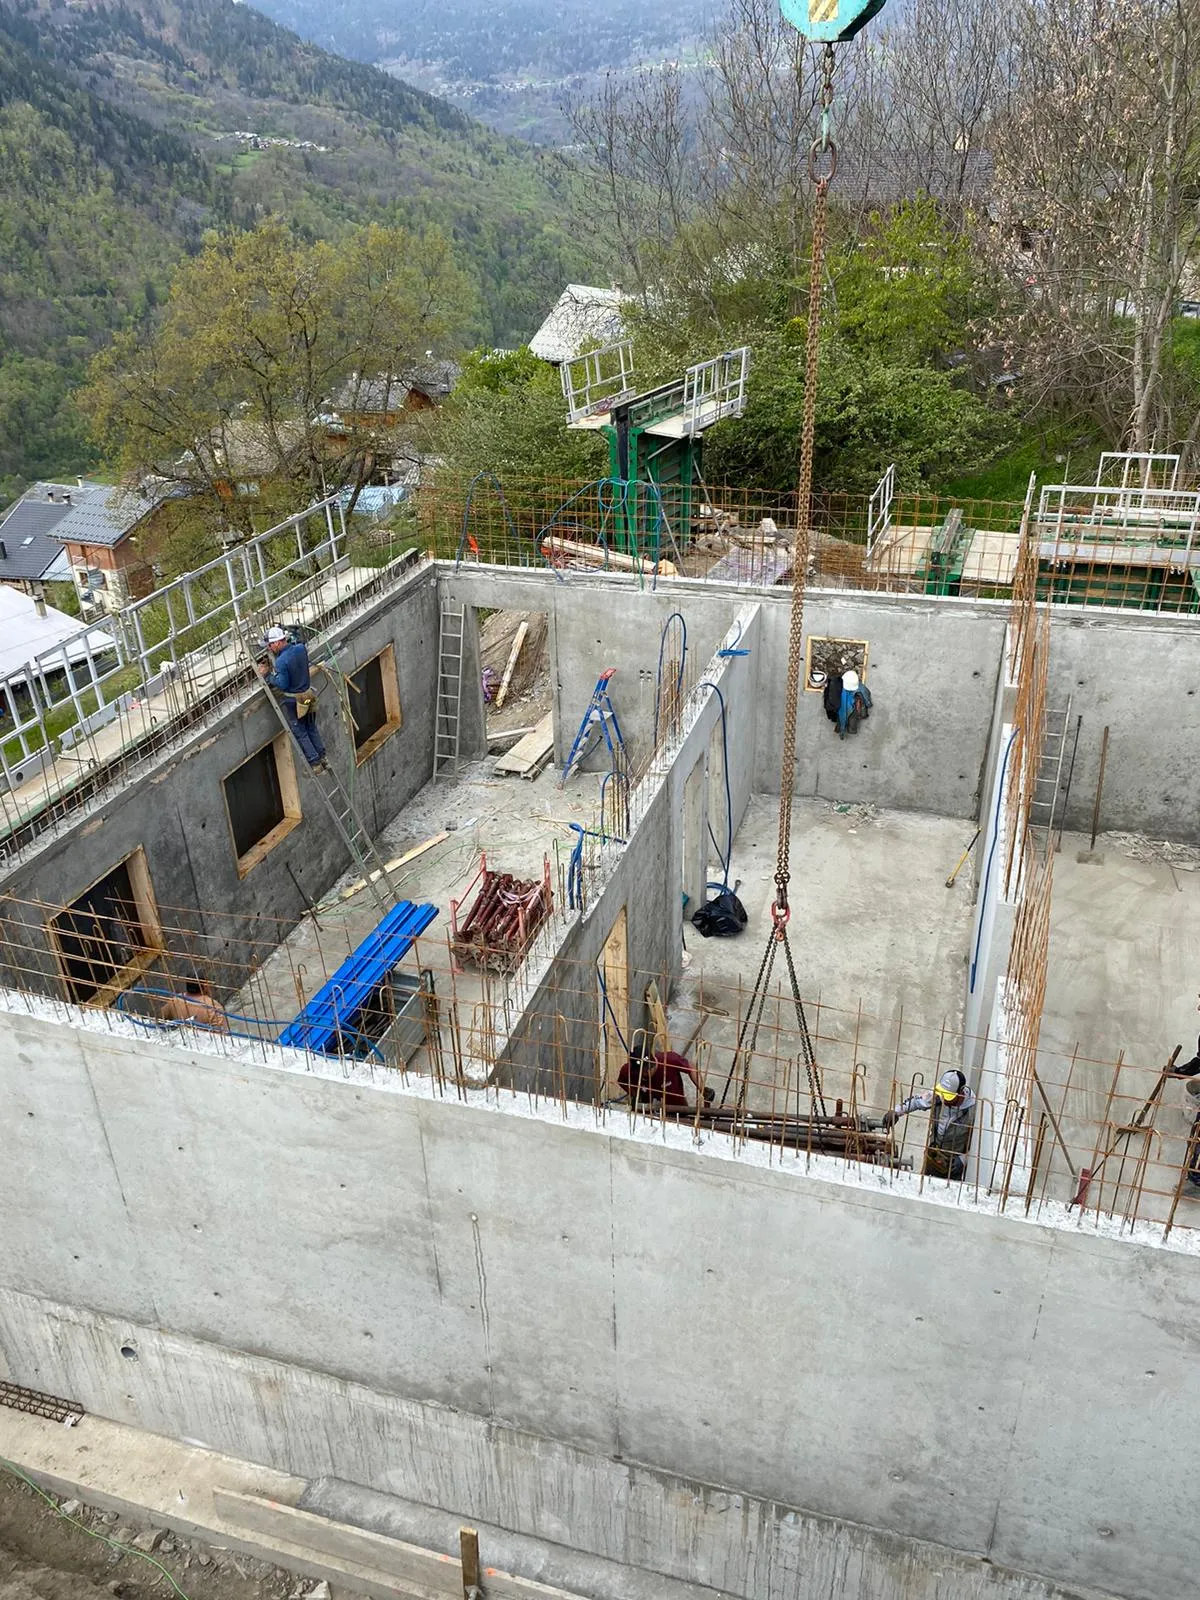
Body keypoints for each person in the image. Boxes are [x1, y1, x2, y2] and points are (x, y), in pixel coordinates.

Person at [881, 1068, 976, 1180]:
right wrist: (896, 1112)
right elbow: (916, 1102)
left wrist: (963, 1159)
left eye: (948, 1097)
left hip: (954, 1163)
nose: (944, 1099)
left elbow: (977, 1144)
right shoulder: (939, 1094)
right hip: (933, 1154)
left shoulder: (972, 1111)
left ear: (961, 1093)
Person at [259, 625, 326, 769]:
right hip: (308, 696)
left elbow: (283, 684)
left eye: (270, 645)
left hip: (295, 701)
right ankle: (321, 755)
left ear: (277, 642)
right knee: (311, 726)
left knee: (300, 731)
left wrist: (268, 675)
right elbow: (299, 642)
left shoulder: (281, 661)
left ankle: (315, 761)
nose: (269, 648)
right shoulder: (301, 649)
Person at [619, 1044, 714, 1114]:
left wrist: (702, 1089)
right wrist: (635, 1094)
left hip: (677, 1108)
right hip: (648, 1111)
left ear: (652, 1064)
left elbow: (691, 1068)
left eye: (646, 1071)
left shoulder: (669, 1060)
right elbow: (621, 1081)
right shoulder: (628, 1070)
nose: (644, 1074)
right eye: (641, 1073)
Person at [161, 980, 230, 1033]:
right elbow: (222, 1034)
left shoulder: (175, 1000)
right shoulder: (214, 1006)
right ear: (205, 986)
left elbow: (161, 1019)